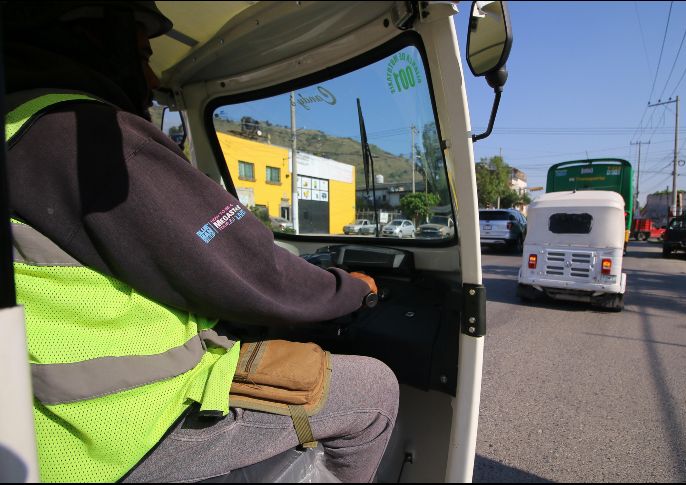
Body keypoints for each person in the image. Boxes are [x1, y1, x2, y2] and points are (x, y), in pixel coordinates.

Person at [2, 2, 398, 483]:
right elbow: (249, 269)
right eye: (143, 54)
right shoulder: (82, 135)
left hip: (36, 427)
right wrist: (351, 288)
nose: (149, 77)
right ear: (89, 36)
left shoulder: (18, 126)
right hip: (115, 437)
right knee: (373, 390)